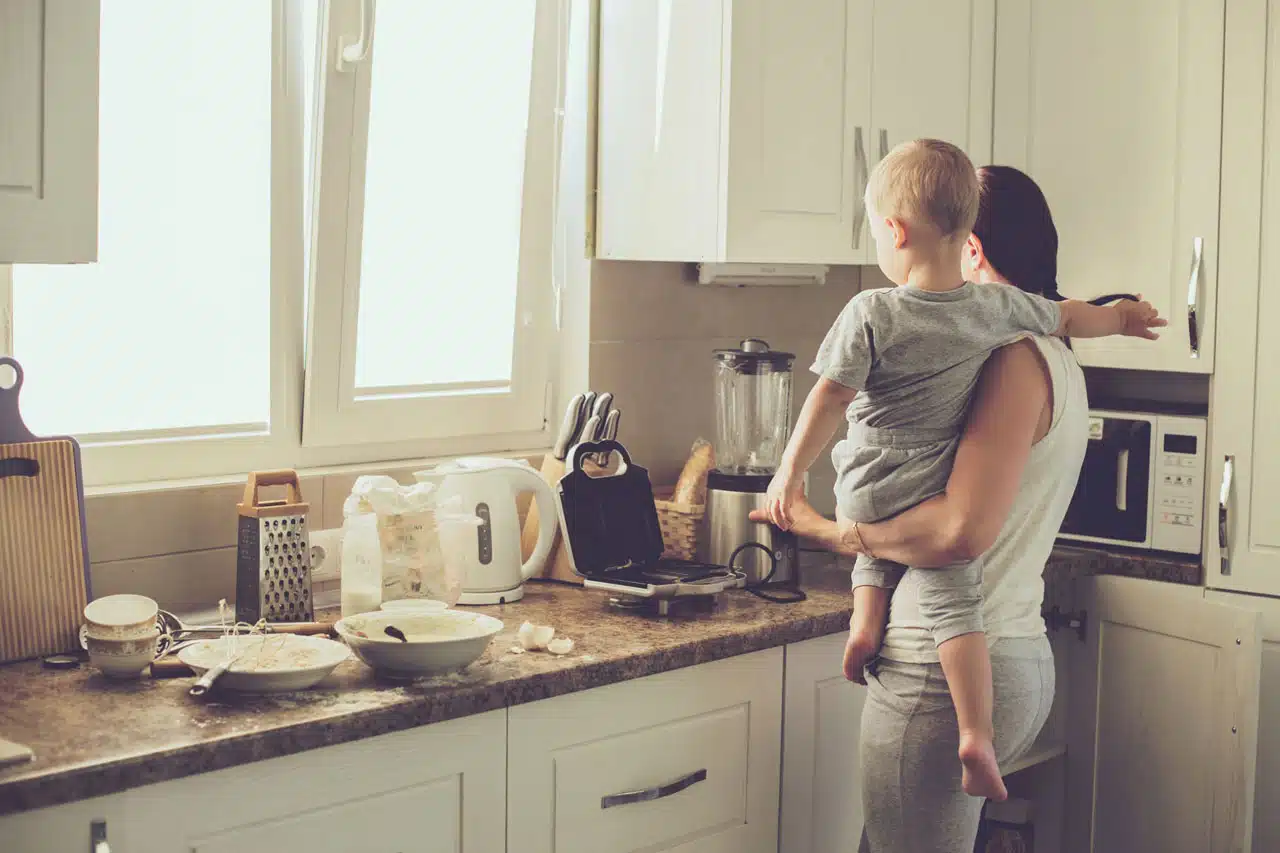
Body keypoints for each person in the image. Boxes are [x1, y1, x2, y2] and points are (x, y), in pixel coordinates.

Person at [761, 141, 1164, 802]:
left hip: (931, 665)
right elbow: (1072, 314)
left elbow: (955, 533)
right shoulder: (1036, 341)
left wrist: (818, 513)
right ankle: (940, 698)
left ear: (970, 246)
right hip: (1012, 651)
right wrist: (1121, 316)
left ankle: (869, 630)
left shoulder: (998, 353)